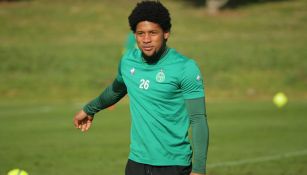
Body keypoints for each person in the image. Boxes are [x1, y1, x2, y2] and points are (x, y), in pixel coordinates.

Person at [73, 1, 209, 175]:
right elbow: (116, 90)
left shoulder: (185, 67)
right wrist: (89, 109)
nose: (146, 40)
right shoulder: (128, 62)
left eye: (153, 33)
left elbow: (198, 120)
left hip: (173, 164)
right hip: (136, 162)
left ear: (166, 33)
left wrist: (198, 169)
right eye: (140, 33)